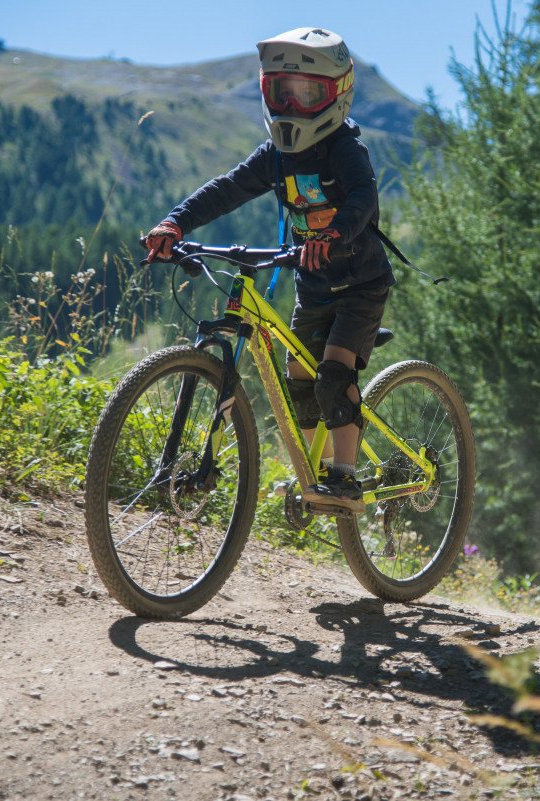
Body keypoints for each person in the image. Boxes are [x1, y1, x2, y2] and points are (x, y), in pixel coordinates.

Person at [144, 27, 394, 514]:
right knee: (299, 377)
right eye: (283, 93)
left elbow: (364, 198)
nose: (294, 107)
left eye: (308, 95)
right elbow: (228, 188)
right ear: (267, 92)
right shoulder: (275, 156)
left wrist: (334, 234)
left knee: (333, 375)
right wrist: (175, 222)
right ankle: (314, 475)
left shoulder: (344, 148)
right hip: (315, 284)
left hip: (360, 286)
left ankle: (344, 479)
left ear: (337, 95)